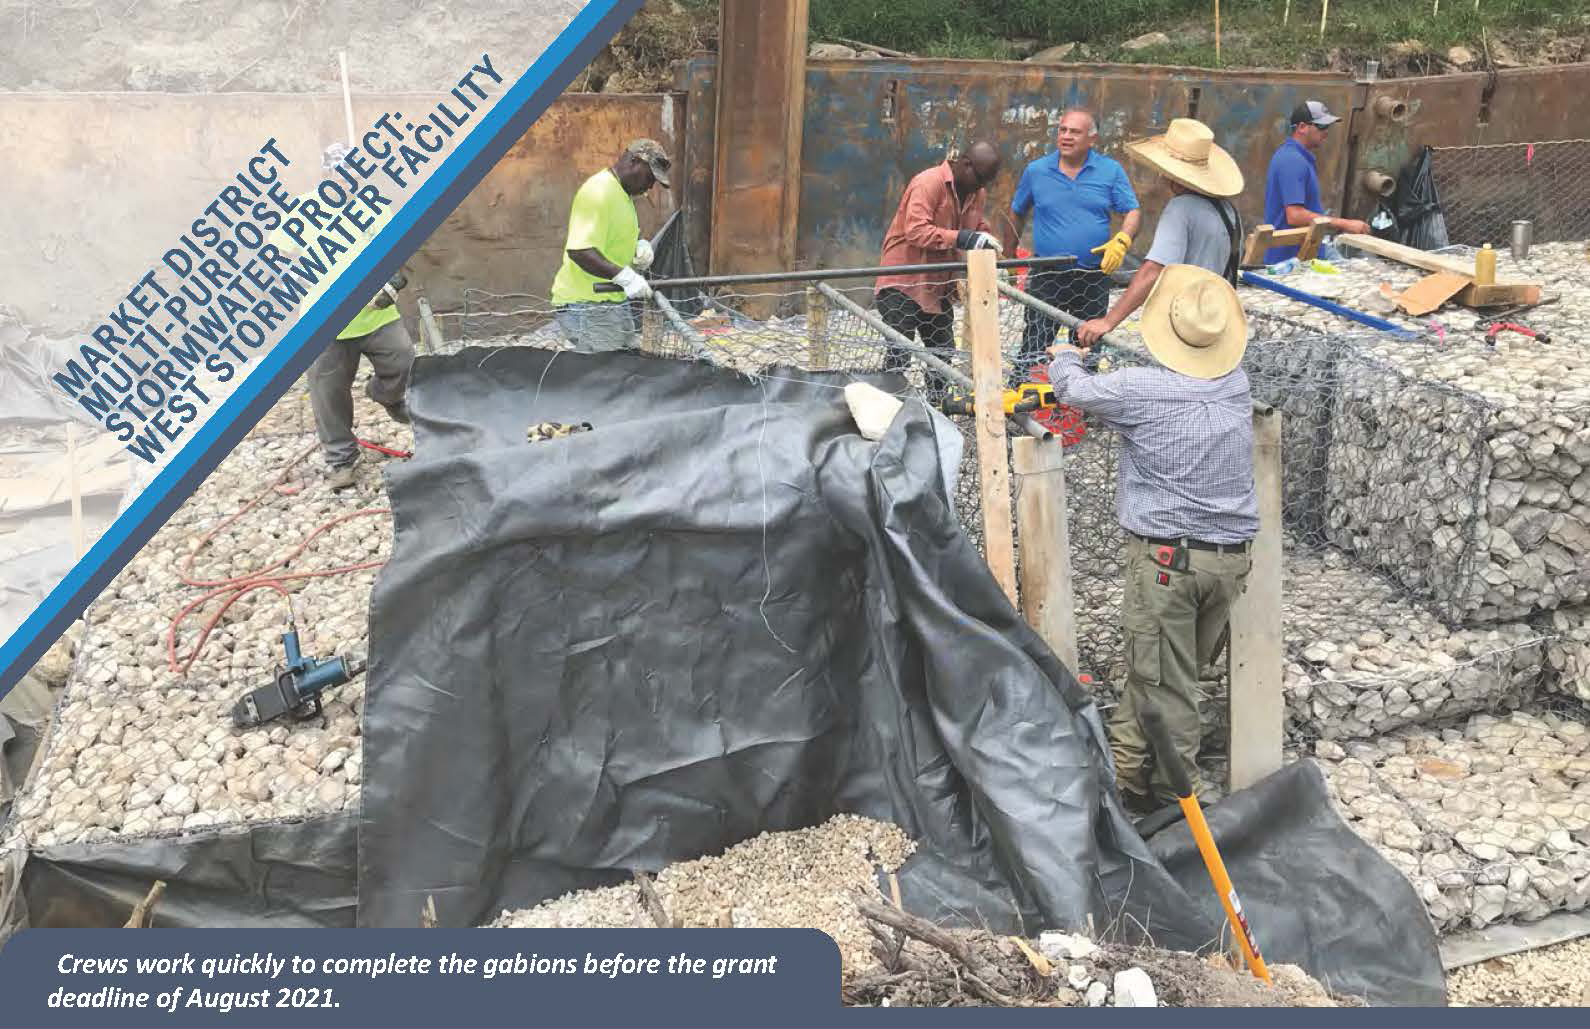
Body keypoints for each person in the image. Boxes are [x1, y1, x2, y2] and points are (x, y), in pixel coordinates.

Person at [1046, 265, 1257, 813]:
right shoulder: (1235, 383)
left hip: (1169, 562)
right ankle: (1127, 773)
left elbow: (1072, 389)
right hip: (1228, 563)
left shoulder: (1142, 388)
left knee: (1170, 685)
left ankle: (1176, 802)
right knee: (1161, 668)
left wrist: (1067, 350)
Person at [297, 143, 416, 492]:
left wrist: (393, 283)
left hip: (377, 316)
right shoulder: (304, 209)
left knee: (405, 362)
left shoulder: (375, 210)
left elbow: (398, 256)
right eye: (339, 171)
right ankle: (341, 460)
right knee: (327, 391)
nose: (346, 178)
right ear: (326, 174)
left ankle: (387, 396)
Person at [1076, 118, 1244, 347]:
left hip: (1183, 322)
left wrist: (1108, 321)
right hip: (1212, 322)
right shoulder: (1229, 210)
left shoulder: (1181, 208)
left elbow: (1153, 270)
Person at [1010, 109, 1140, 379]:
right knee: (1035, 338)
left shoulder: (1110, 171)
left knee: (1087, 342)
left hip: (1093, 275)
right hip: (1047, 273)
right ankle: (1020, 395)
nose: (1066, 136)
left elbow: (1133, 211)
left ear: (1092, 139)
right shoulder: (1036, 171)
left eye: (1074, 132)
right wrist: (1010, 256)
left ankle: (1082, 405)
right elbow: (1017, 211)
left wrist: (1123, 239)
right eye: (1062, 130)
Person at [873, 142, 1004, 393]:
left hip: (938, 286)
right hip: (904, 284)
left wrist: (986, 239)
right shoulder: (928, 183)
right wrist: (963, 238)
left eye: (986, 181)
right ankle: (890, 413)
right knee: (899, 354)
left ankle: (937, 409)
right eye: (980, 178)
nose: (981, 186)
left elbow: (973, 226)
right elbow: (916, 231)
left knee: (942, 353)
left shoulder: (977, 192)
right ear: (965, 164)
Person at [549, 139, 672, 352]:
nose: (651, 186)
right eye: (650, 177)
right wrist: (626, 277)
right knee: (606, 373)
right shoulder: (599, 191)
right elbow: (580, 250)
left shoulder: (623, 196)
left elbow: (609, 239)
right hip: (587, 303)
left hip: (611, 300)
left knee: (626, 359)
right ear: (634, 161)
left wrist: (637, 247)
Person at [1262, 101, 1370, 263]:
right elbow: (1295, 216)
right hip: (1292, 260)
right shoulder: (1292, 160)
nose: (1326, 132)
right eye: (1321, 127)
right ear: (1302, 127)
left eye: (1327, 127)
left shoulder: (1296, 156)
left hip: (1307, 252)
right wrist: (1345, 224)